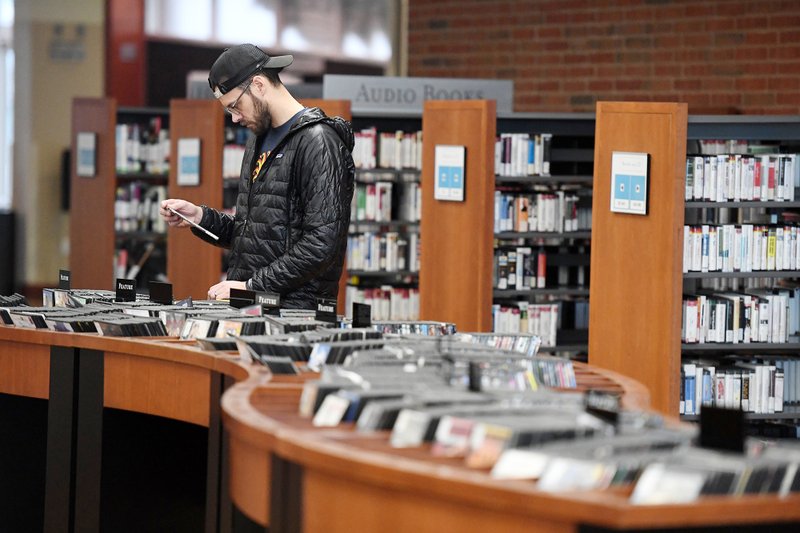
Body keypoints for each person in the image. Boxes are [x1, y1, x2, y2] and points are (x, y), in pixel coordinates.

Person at [160, 44, 355, 308]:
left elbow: (322, 244)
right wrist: (199, 218)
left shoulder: (318, 142)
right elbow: (254, 236)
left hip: (295, 317)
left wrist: (251, 287)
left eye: (236, 106)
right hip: (253, 309)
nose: (234, 118)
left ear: (259, 85)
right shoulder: (257, 141)